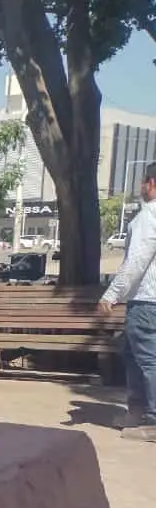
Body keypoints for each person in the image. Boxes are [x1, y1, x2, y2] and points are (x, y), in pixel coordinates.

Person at [101, 162, 156, 442]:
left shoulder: (149, 217)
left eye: (143, 182)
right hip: (147, 301)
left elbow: (137, 261)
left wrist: (112, 293)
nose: (141, 187)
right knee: (133, 355)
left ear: (151, 183)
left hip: (147, 302)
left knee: (147, 359)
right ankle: (138, 410)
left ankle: (152, 418)